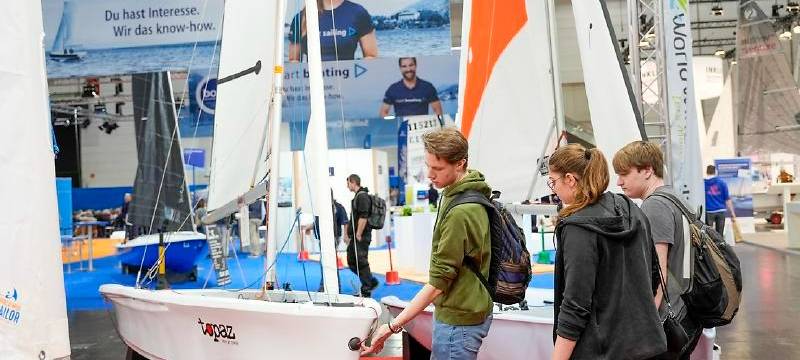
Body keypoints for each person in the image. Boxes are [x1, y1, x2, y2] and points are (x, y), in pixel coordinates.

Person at [361, 127, 493, 359]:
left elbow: (438, 283)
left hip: (459, 321)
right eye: (428, 165)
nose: (430, 174)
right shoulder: (460, 194)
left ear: (460, 164)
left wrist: (391, 327)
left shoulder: (461, 211)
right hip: (463, 310)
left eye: (438, 168)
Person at [548, 144, 666, 360]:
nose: (553, 189)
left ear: (570, 179)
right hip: (645, 345)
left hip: (601, 351)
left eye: (553, 182)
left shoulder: (578, 228)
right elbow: (653, 276)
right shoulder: (630, 209)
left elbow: (575, 304)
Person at [613, 141, 703, 359]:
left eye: (624, 174)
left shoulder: (655, 206)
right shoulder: (674, 198)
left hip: (669, 317)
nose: (619, 182)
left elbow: (658, 270)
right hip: (687, 312)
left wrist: (647, 323)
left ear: (647, 170)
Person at [288, 0, 378, 62]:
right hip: (312, 82)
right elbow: (294, 62)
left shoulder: (358, 13)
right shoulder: (300, 18)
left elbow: (371, 57)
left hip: (348, 80)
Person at [344, 174, 379, 297]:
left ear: (353, 182)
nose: (347, 186)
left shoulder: (362, 196)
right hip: (356, 236)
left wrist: (358, 233)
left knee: (361, 261)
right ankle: (370, 281)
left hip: (361, 235)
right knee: (352, 260)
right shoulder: (358, 196)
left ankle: (366, 289)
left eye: (348, 183)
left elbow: (363, 217)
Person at [379, 57, 444, 118]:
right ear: (400, 68)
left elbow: (438, 110)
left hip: (421, 125)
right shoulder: (393, 89)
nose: (408, 69)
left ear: (415, 66)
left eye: (411, 65)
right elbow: (383, 113)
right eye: (404, 66)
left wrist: (431, 123)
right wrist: (394, 121)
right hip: (402, 125)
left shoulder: (428, 87)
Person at [319, 190, 349, 292]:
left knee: (329, 261)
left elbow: (345, 222)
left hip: (334, 237)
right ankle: (325, 284)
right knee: (324, 261)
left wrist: (345, 236)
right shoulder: (322, 207)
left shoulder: (337, 207)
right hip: (323, 237)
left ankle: (334, 285)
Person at [705, 165, 737, 236]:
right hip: (720, 211)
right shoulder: (722, 183)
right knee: (720, 233)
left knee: (709, 234)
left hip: (709, 211)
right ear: (715, 172)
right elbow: (727, 199)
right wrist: (732, 213)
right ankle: (720, 243)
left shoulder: (703, 183)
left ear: (706, 172)